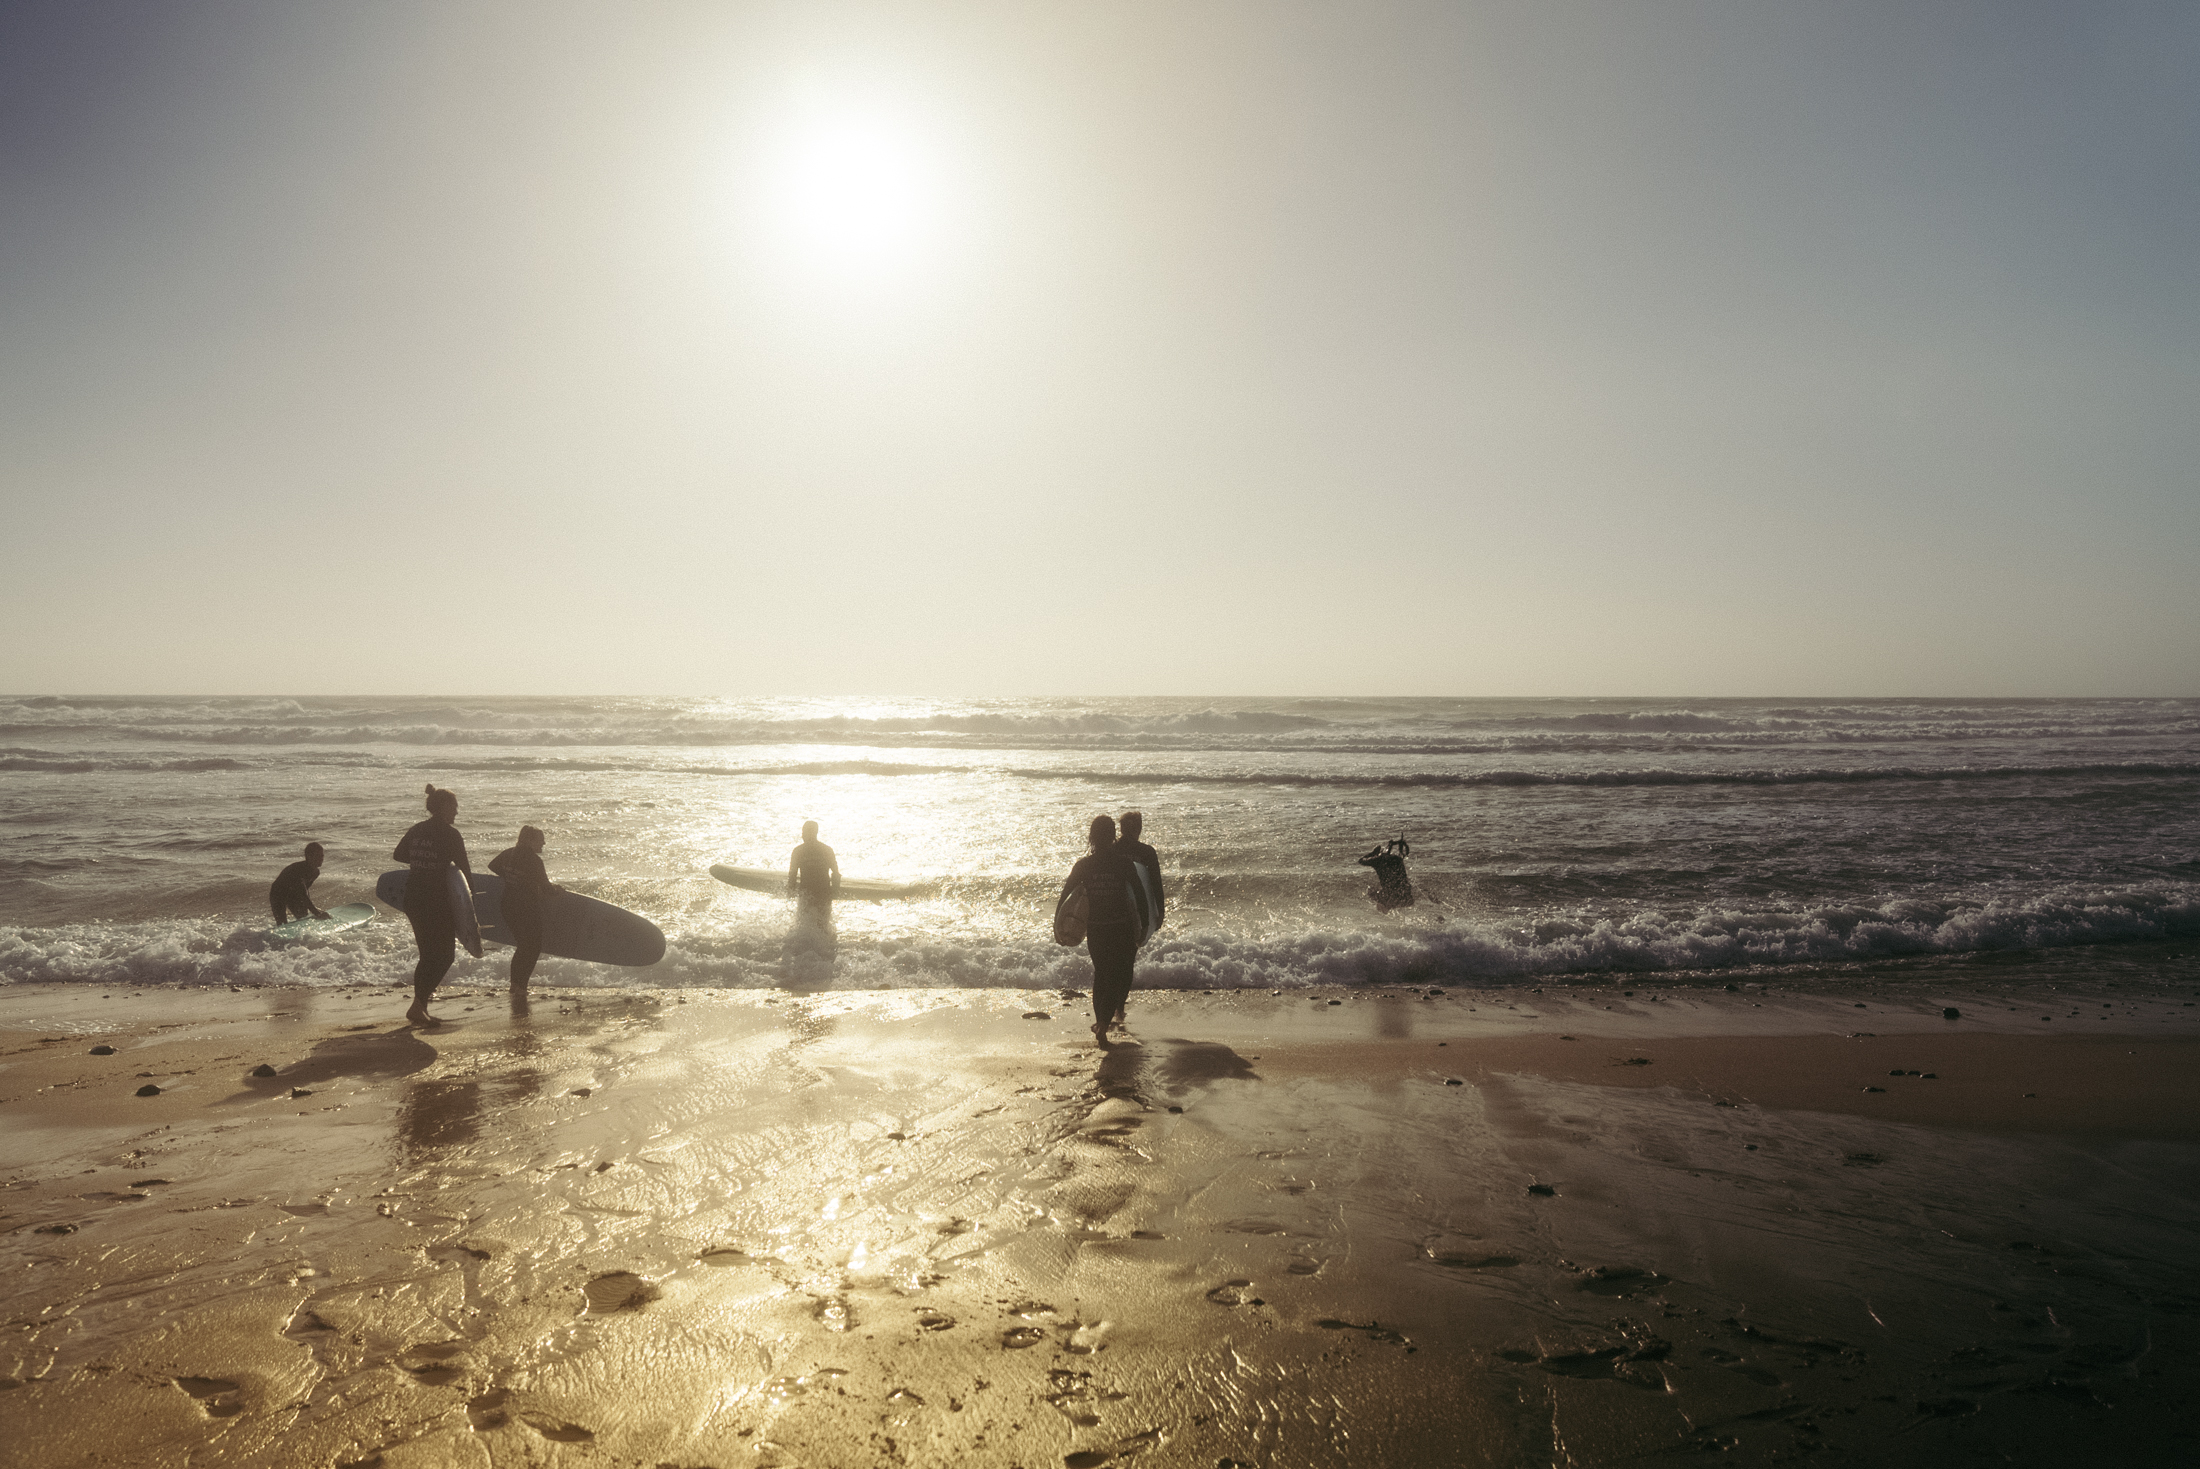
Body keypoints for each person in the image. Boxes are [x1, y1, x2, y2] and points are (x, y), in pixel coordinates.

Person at [391, 784, 472, 1025]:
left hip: (413, 899)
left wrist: (422, 860)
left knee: (428, 955)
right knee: (445, 955)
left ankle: (420, 1007)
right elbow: (465, 872)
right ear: (444, 807)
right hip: (435, 901)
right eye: (454, 807)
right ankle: (419, 1006)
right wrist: (473, 910)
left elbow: (399, 855)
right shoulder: (450, 835)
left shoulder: (417, 829)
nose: (457, 812)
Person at [1061, 813, 1142, 1048]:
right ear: (1113, 836)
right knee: (1118, 974)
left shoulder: (1084, 866)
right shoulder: (1123, 864)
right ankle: (1105, 1021)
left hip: (1097, 930)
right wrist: (1145, 923)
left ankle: (1101, 1024)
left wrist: (1060, 926)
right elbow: (1139, 895)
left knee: (1102, 975)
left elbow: (1066, 896)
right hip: (1121, 928)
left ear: (1092, 837)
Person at [1114, 811, 1167, 1026]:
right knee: (1127, 962)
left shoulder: (1111, 850)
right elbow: (1154, 884)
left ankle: (1110, 1005)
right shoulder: (1146, 852)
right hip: (1133, 916)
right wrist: (1159, 912)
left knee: (1111, 961)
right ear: (1138, 828)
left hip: (1110, 913)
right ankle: (1119, 1006)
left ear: (1121, 829)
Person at [489, 825, 554, 988]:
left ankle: (516, 985)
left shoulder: (509, 853)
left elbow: (493, 866)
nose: (544, 843)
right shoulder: (534, 860)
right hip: (527, 908)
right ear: (529, 840)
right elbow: (546, 888)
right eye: (540, 840)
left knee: (523, 946)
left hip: (508, 905)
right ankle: (519, 986)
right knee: (532, 947)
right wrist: (557, 890)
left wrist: (510, 877)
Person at [787, 820, 840, 917]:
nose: (802, 836)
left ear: (812, 833)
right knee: (823, 923)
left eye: (804, 833)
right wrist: (835, 892)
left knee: (804, 920)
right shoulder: (827, 850)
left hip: (807, 893)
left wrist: (790, 891)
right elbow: (836, 873)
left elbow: (792, 874)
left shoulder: (798, 851)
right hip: (823, 893)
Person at [268, 842, 330, 925]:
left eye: (322, 856)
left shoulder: (316, 872)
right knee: (282, 924)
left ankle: (300, 937)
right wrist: (317, 912)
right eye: (318, 856)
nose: (321, 859)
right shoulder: (299, 871)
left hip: (293, 894)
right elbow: (303, 894)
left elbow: (305, 890)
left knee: (304, 917)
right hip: (278, 894)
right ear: (309, 856)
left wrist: (313, 910)